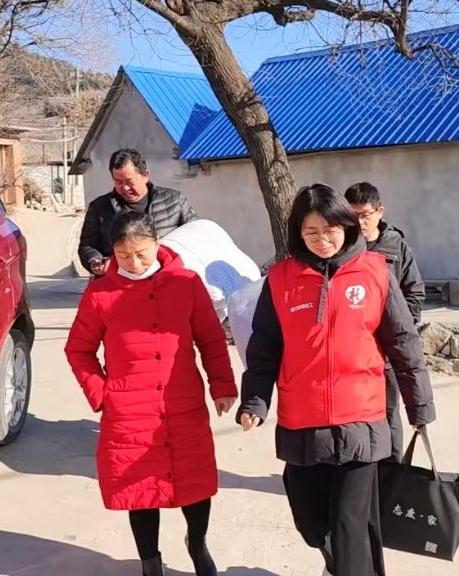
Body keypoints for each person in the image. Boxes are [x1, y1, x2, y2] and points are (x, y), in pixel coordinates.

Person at [237, 184, 437, 576]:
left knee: (350, 525)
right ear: (298, 232)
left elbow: (403, 343)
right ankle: (341, 565)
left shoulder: (375, 271)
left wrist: (420, 406)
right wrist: (255, 401)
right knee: (311, 522)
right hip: (302, 419)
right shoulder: (280, 279)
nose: (322, 240)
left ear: (346, 226)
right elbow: (263, 349)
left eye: (330, 230)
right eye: (311, 232)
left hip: (360, 418)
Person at [65, 211, 237, 576]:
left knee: (195, 482)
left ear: (157, 244)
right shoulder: (101, 293)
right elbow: (78, 350)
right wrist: (102, 393)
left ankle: (198, 544)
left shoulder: (186, 283)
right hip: (128, 410)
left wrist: (222, 385)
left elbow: (210, 338)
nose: (134, 263)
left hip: (182, 402)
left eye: (142, 253)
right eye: (124, 255)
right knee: (140, 489)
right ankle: (150, 561)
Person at [345, 182, 426, 463]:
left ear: (380, 212)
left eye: (364, 214)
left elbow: (414, 292)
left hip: (387, 349)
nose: (359, 221)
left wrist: (399, 329)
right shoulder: (343, 247)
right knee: (354, 412)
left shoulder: (396, 246)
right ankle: (361, 466)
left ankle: (391, 470)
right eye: (352, 215)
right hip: (354, 349)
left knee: (388, 412)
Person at [78, 148, 198, 277]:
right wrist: (94, 261)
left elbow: (195, 235)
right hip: (120, 281)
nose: (125, 188)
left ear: (145, 175)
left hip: (167, 278)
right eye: (118, 182)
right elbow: (88, 245)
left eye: (130, 182)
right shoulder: (100, 207)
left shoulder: (174, 201)